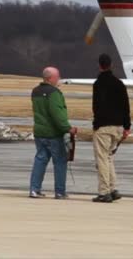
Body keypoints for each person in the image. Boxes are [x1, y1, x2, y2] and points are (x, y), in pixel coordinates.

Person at [29, 66, 77, 199]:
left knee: (40, 160)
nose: (59, 79)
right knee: (60, 162)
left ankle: (34, 189)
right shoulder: (54, 93)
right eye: (57, 76)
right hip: (53, 134)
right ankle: (60, 191)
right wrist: (67, 128)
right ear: (51, 78)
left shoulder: (35, 91)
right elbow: (57, 114)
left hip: (39, 132)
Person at [91, 54, 131, 203]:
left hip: (103, 126)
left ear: (100, 65)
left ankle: (104, 192)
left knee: (102, 159)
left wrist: (96, 125)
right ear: (111, 64)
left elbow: (96, 107)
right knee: (109, 158)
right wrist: (127, 127)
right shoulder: (119, 84)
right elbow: (126, 107)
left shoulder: (98, 84)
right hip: (118, 127)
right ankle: (113, 189)